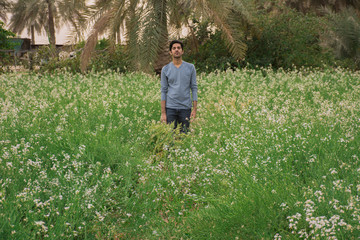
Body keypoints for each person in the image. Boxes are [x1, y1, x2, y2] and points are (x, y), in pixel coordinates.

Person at [160, 40, 198, 133]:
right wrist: (163, 113)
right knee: (170, 137)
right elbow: (163, 90)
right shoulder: (165, 69)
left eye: (178, 48)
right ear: (170, 52)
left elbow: (194, 88)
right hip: (170, 108)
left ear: (182, 51)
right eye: (174, 48)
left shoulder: (190, 67)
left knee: (184, 136)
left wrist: (194, 109)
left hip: (185, 108)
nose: (176, 50)